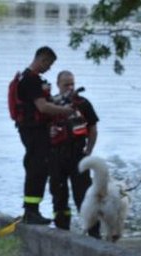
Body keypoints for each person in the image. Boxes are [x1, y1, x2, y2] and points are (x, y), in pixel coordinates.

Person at [11, 47, 76, 225]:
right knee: (37, 169)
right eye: (49, 64)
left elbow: (43, 102)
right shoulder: (31, 80)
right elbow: (43, 107)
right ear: (42, 60)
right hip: (34, 130)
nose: (49, 68)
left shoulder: (26, 77)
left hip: (30, 129)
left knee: (36, 168)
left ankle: (32, 210)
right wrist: (66, 111)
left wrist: (57, 101)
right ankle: (31, 212)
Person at [48, 71, 100, 233]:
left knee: (85, 195)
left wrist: (89, 150)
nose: (70, 87)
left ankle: (93, 232)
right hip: (56, 155)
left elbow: (92, 128)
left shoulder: (83, 103)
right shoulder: (50, 104)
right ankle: (62, 229)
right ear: (57, 85)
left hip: (78, 154)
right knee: (58, 194)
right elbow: (43, 128)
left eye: (72, 84)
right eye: (66, 84)